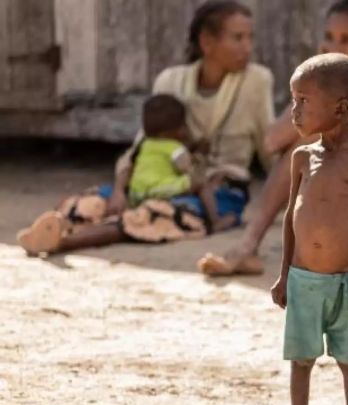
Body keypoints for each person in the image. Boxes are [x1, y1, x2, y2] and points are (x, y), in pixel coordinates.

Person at [17, 1, 272, 255]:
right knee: (91, 202)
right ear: (207, 42)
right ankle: (53, 228)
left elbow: (268, 146)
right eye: (238, 38)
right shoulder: (170, 81)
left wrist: (293, 192)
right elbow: (141, 147)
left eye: (250, 38)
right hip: (159, 182)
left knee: (153, 216)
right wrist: (119, 190)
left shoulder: (256, 81)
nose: (247, 47)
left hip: (219, 193)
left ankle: (64, 243)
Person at [199, 0, 348, 275]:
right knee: (306, 145)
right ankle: (247, 246)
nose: (333, 47)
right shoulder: (322, 79)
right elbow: (272, 141)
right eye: (328, 38)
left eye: (346, 40)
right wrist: (317, 90)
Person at [269, 53, 348, 405]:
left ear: (340, 108)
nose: (294, 111)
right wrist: (284, 274)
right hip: (303, 280)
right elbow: (290, 218)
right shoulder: (301, 157)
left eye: (303, 101)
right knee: (301, 361)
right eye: (293, 100)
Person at [129, 94, 235, 232]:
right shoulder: (175, 148)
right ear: (178, 130)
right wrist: (200, 155)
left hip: (137, 192)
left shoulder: (145, 144)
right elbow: (188, 168)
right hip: (160, 188)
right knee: (201, 184)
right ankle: (215, 220)